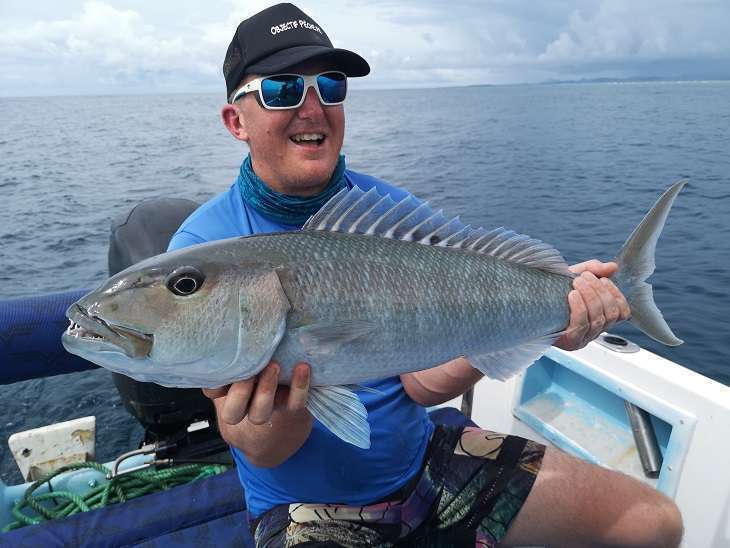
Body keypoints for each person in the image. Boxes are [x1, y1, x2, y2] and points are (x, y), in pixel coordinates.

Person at [168, 3, 683, 546]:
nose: (312, 107)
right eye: (281, 91)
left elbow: (418, 384)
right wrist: (275, 412)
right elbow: (264, 449)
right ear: (235, 121)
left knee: (652, 523)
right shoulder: (203, 252)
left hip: (429, 468)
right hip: (305, 508)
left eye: (331, 86)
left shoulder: (386, 215)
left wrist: (549, 317)